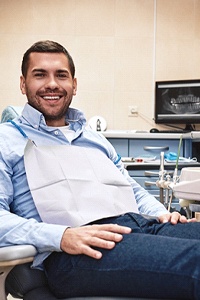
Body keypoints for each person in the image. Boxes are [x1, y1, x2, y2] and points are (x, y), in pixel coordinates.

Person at [0, 40, 200, 300]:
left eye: (61, 75)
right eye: (40, 75)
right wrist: (61, 236)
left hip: (140, 226)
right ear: (23, 84)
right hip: (75, 250)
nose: (52, 84)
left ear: (74, 84)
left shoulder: (94, 138)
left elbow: (131, 188)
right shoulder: (7, 139)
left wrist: (162, 214)